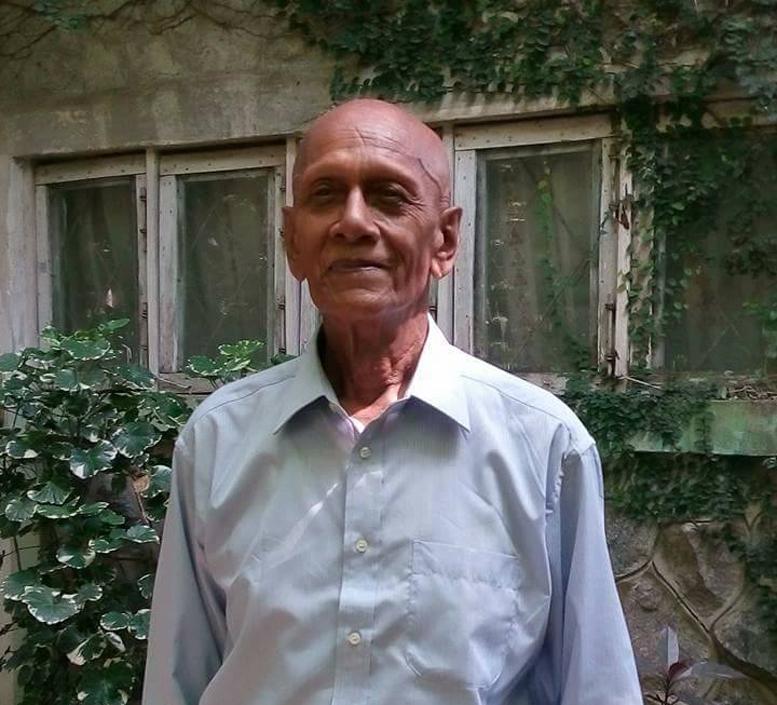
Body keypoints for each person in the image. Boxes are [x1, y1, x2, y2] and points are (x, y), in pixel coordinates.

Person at [142, 99, 642, 705]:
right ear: (292, 240)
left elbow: (597, 687)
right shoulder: (219, 440)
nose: (353, 222)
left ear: (445, 240)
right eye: (325, 194)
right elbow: (177, 680)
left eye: (388, 196)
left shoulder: (542, 447)